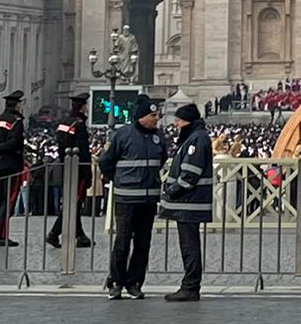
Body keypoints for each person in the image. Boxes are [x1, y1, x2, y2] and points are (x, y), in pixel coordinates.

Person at [98, 94, 168, 300]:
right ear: (141, 117)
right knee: (122, 241)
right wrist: (118, 180)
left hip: (148, 199)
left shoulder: (158, 136)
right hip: (126, 199)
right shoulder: (123, 135)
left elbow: (161, 159)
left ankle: (135, 282)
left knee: (143, 244)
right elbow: (106, 161)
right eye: (153, 115)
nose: (157, 118)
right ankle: (116, 281)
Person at [160, 103, 213, 301]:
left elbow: (190, 173)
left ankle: (190, 286)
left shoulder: (196, 139)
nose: (177, 125)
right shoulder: (196, 137)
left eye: (179, 121)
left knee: (189, 246)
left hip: (189, 203)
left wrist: (172, 190)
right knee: (188, 245)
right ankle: (189, 285)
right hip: (188, 203)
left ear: (188, 121)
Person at [47, 92, 94, 249]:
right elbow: (83, 151)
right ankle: (54, 233)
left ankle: (80, 236)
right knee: (73, 203)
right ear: (82, 107)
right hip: (78, 170)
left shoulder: (64, 123)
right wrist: (88, 173)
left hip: (65, 166)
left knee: (74, 202)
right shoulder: (79, 124)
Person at [0, 89, 27, 246]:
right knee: (8, 201)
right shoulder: (16, 121)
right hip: (11, 164)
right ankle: (0, 235)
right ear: (17, 105)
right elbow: (14, 143)